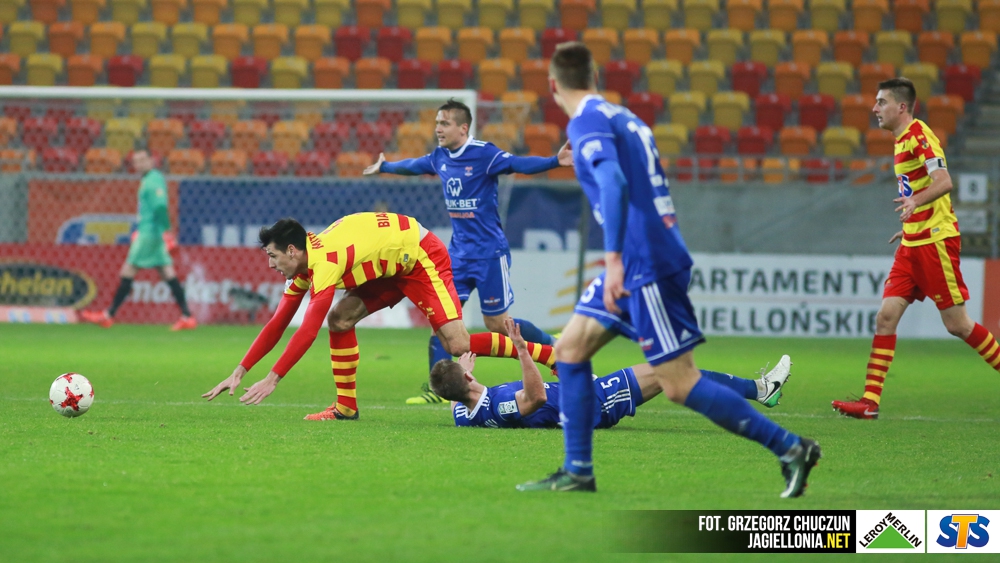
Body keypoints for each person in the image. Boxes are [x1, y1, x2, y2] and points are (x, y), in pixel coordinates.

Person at [516, 42, 819, 497]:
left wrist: (613, 260)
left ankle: (791, 447)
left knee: (678, 384)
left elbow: (613, 181)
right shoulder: (626, 118)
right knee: (571, 350)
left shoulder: (585, 121)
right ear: (594, 78)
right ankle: (577, 470)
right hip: (645, 253)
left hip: (644, 262)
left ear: (553, 85)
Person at [202, 213, 557, 420]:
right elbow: (278, 322)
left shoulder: (324, 263)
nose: (270, 265)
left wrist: (273, 379)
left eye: (273, 256)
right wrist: (240, 370)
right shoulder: (303, 265)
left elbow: (307, 331)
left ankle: (551, 356)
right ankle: (345, 407)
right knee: (340, 320)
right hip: (388, 265)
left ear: (292, 250)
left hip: (419, 257)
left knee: (458, 344)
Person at [363, 99, 571, 404]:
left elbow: (518, 163)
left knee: (497, 324)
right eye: (437, 123)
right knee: (441, 323)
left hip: (489, 255)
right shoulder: (440, 157)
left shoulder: (484, 154)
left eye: (444, 123)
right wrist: (386, 167)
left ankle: (552, 345)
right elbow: (415, 166)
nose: (438, 129)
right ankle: (438, 392)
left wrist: (555, 161)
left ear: (463, 127)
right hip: (457, 257)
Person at [832, 77, 1000, 419]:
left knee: (957, 324)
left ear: (901, 106)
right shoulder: (901, 140)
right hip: (913, 241)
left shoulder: (919, 135)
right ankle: (869, 402)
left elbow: (944, 181)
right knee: (885, 317)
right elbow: (921, 187)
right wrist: (910, 223)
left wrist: (915, 203)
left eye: (881, 102)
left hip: (935, 242)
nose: (875, 108)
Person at [431, 318, 793, 429]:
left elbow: (454, 398)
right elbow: (535, 397)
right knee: (672, 372)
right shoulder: (500, 406)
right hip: (594, 402)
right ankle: (761, 389)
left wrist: (463, 373)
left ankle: (757, 390)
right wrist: (522, 351)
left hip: (577, 391)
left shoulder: (463, 412)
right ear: (467, 380)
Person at [79, 150, 195, 331]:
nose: (139, 164)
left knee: (128, 270)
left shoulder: (153, 179)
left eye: (142, 160)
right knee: (167, 272)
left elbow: (160, 207)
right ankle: (187, 316)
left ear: (151, 160)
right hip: (150, 232)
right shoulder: (150, 179)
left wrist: (166, 232)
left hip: (149, 234)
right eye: (136, 162)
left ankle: (109, 315)